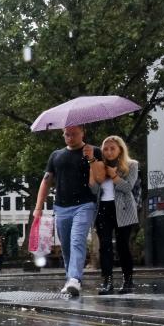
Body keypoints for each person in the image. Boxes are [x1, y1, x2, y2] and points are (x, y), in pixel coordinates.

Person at [33, 124, 99, 298]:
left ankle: (74, 279)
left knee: (77, 240)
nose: (70, 137)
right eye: (67, 134)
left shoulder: (94, 151)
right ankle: (71, 278)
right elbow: (46, 181)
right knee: (67, 246)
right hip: (61, 207)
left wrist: (92, 159)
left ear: (83, 132)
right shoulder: (56, 156)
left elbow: (99, 179)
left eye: (74, 134)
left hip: (84, 204)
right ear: (63, 135)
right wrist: (38, 207)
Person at [90, 135, 139, 294]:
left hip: (123, 209)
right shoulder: (98, 166)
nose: (109, 152)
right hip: (103, 209)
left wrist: (114, 175)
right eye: (105, 149)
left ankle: (128, 281)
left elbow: (127, 188)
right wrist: (94, 173)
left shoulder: (131, 165)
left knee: (123, 246)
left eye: (112, 148)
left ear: (120, 149)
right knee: (104, 246)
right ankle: (107, 282)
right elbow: (94, 191)